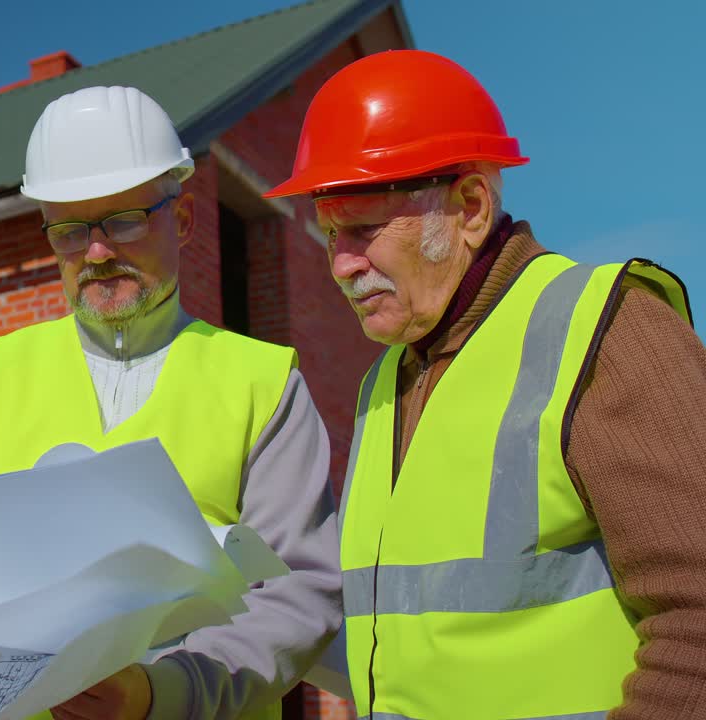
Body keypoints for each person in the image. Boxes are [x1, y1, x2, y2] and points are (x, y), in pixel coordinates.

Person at [263, 49, 706, 719]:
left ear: (469, 206)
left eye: (364, 228)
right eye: (330, 235)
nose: (344, 266)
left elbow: (696, 622)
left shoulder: (604, 330)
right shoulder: (385, 383)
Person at [0, 85, 341, 719]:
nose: (97, 252)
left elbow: (300, 596)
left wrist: (161, 693)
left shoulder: (262, 382)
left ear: (180, 220)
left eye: (124, 221)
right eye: (70, 231)